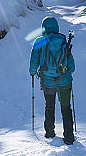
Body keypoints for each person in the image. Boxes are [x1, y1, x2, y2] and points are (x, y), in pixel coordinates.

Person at [29, 16, 75, 144]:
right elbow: (72, 66)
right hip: (64, 81)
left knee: (49, 106)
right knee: (66, 108)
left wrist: (32, 72)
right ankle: (69, 137)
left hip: (47, 82)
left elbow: (34, 62)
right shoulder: (63, 41)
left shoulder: (39, 42)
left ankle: (50, 132)